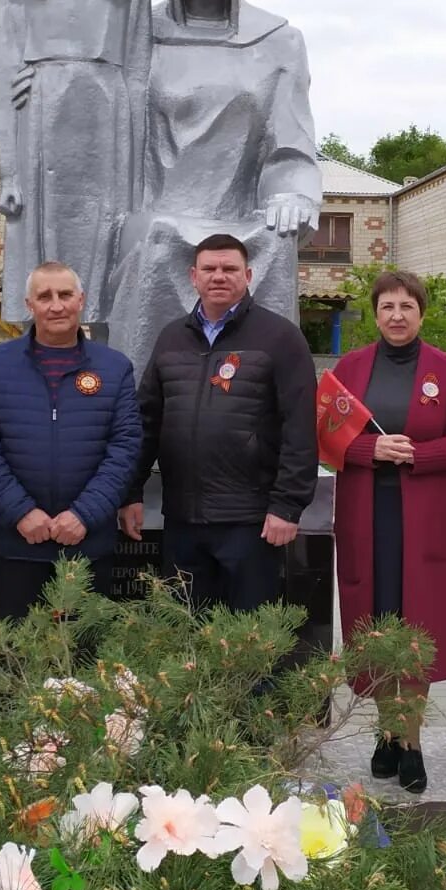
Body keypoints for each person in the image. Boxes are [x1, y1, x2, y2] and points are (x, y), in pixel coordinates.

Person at [108, 0, 320, 378]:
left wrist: (294, 194)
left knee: (274, 240)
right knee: (155, 242)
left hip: (243, 220)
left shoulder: (278, 40)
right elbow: (107, 132)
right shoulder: (137, 36)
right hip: (158, 216)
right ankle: (139, 425)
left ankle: (260, 420)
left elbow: (292, 145)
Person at [330, 270, 446, 795]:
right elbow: (325, 436)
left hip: (424, 520)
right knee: (374, 623)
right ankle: (384, 734)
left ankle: (411, 742)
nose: (397, 315)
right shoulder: (350, 368)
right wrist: (368, 450)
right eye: (387, 306)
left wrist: (419, 453)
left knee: (416, 630)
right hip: (367, 516)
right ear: (375, 314)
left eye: (407, 307)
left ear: (422, 313)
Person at [0, 0, 151, 328]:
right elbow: (6, 69)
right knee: (41, 245)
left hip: (109, 116)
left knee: (108, 247)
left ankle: (105, 356)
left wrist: (140, 181)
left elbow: (141, 73)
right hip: (41, 110)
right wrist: (9, 172)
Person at [119, 233, 317, 614]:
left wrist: (288, 506)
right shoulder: (172, 337)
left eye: (230, 268)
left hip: (252, 522)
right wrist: (131, 492)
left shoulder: (280, 337)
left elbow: (300, 427)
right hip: (183, 521)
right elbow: (147, 420)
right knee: (184, 634)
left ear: (249, 274)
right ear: (193, 276)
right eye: (209, 268)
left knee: (248, 640)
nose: (219, 276)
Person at [0, 261, 142, 619]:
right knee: (19, 663)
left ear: (81, 300)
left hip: (87, 543)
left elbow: (124, 448)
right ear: (29, 305)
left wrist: (83, 515)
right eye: (44, 296)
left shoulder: (114, 367)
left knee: (87, 661)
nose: (56, 305)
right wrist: (21, 513)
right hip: (19, 542)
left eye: (65, 295)